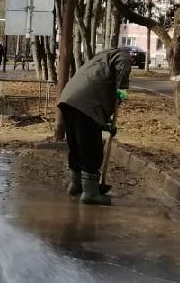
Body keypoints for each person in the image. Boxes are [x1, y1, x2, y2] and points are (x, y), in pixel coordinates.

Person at [56, 47, 132, 206]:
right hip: (85, 104)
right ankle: (90, 193)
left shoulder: (99, 60)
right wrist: (121, 86)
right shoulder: (121, 54)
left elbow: (96, 91)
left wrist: (106, 124)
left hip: (68, 100)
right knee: (91, 148)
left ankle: (76, 185)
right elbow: (124, 62)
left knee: (77, 146)